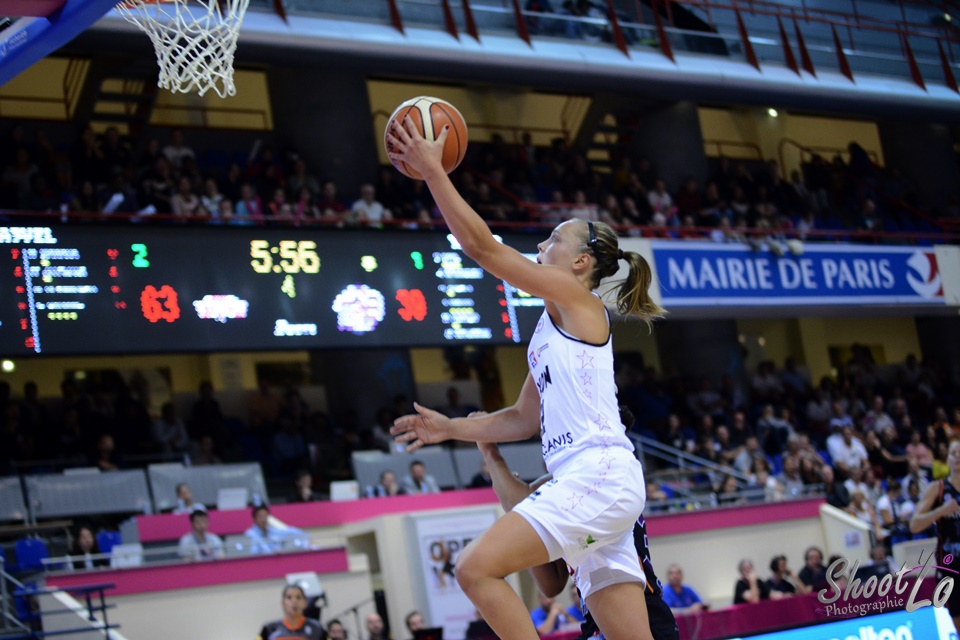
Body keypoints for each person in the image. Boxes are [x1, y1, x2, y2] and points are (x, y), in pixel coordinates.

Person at [387, 117, 664, 640]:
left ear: (580, 262)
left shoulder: (577, 298)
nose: (543, 242)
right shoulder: (548, 328)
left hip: (597, 475)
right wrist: (451, 429)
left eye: (555, 238)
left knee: (473, 568)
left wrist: (433, 174)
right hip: (593, 481)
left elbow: (484, 251)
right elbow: (520, 419)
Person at [474, 415, 678, 640]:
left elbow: (518, 500)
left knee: (474, 569)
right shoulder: (570, 484)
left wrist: (489, 451)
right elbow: (551, 584)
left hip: (638, 608)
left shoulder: (600, 475)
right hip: (599, 615)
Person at [910, 439, 960, 631]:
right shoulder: (937, 488)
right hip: (951, 568)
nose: (958, 457)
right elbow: (914, 525)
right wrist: (941, 511)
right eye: (954, 453)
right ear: (947, 460)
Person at [258, 584, 324, 640]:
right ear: (283, 604)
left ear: (305, 603)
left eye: (298, 597)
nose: (294, 601)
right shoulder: (268, 629)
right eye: (289, 597)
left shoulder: (316, 628)